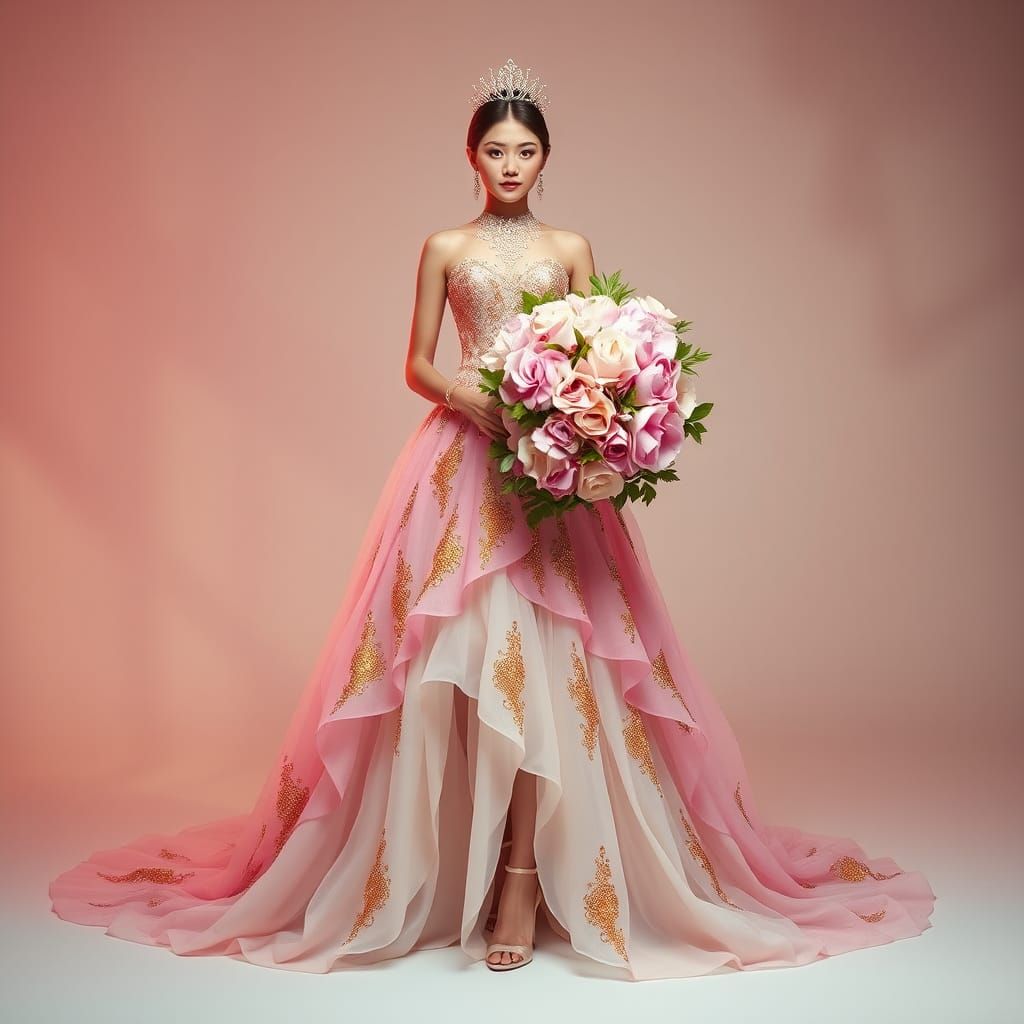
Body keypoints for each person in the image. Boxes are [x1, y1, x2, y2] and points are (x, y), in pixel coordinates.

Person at [48, 57, 936, 978]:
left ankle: (522, 875)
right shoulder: (445, 247)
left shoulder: (570, 247)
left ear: (545, 159)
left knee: (560, 665)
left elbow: (595, 352)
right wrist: (469, 398)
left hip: (547, 472)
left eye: (525, 151)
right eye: (495, 151)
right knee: (454, 663)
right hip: (463, 463)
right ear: (471, 157)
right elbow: (416, 362)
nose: (510, 165)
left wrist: (595, 424)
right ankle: (440, 872)